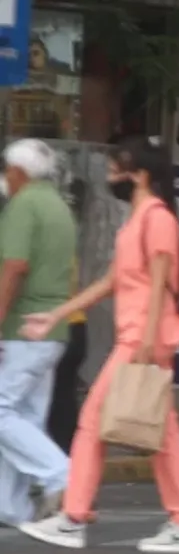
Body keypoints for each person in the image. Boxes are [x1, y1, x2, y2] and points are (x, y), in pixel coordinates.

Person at [18, 135, 179, 553]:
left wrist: (145, 344)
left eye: (115, 167)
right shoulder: (138, 217)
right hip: (142, 337)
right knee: (162, 435)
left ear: (140, 175)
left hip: (144, 339)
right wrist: (56, 315)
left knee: (92, 422)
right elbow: (112, 281)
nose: (109, 174)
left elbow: (159, 285)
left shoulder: (156, 218)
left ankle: (73, 517)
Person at [0, 139, 74, 527]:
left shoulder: (24, 204)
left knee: (2, 411)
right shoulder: (58, 205)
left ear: (18, 171)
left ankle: (62, 476)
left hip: (23, 327)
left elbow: (14, 267)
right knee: (25, 418)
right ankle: (11, 507)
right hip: (51, 330)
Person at [48, 176, 89, 454]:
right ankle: (67, 463)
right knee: (62, 400)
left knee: (54, 403)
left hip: (57, 329)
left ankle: (59, 465)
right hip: (74, 325)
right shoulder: (64, 239)